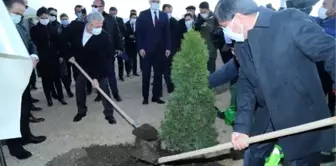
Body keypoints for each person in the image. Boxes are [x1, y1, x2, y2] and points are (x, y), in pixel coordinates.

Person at [214, 0, 336, 165]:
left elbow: (330, 51)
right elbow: (246, 85)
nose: (225, 32)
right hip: (268, 113)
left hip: (302, 114)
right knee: (252, 157)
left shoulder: (288, 21)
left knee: (299, 161)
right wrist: (242, 127)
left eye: (224, 26)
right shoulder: (242, 44)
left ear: (239, 18)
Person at [4, 0, 46, 159]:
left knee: (24, 107)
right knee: (11, 111)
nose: (20, 17)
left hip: (23, 73)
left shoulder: (22, 25)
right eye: (17, 14)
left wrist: (34, 55)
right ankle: (14, 146)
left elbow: (30, 43)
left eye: (22, 14)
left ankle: (26, 135)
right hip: (6, 77)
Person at [61, 12, 117, 124]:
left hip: (98, 65)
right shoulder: (75, 27)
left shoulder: (104, 37)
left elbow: (103, 59)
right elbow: (62, 40)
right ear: (89, 24)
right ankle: (81, 111)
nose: (100, 28)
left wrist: (96, 77)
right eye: (97, 26)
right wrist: (68, 55)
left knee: (104, 87)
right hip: (80, 64)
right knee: (80, 87)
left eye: (101, 25)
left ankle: (109, 113)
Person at [30, 7, 67, 107]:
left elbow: (59, 42)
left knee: (57, 79)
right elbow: (33, 44)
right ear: (38, 17)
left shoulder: (53, 28)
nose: (45, 19)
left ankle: (61, 97)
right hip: (42, 58)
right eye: (43, 17)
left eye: (47, 17)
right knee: (46, 80)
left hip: (54, 57)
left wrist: (61, 55)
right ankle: (49, 99)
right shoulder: (34, 30)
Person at [136, 0, 171, 105]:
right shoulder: (143, 14)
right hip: (146, 51)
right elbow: (139, 33)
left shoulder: (163, 15)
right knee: (146, 74)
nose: (156, 2)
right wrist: (140, 48)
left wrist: (168, 48)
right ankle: (145, 97)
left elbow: (167, 33)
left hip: (160, 51)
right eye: (153, 1)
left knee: (158, 75)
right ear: (150, 2)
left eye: (157, 1)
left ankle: (156, 96)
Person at [91, 0, 123, 102]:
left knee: (111, 74)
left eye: (97, 6)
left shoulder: (110, 18)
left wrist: (119, 48)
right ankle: (100, 94)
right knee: (98, 75)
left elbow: (117, 34)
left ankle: (115, 93)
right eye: (93, 6)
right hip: (95, 53)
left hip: (109, 52)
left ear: (103, 7)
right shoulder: (90, 19)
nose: (94, 7)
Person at [313, 0, 336, 116]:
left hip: (329, 75)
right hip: (315, 74)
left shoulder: (331, 30)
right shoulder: (318, 22)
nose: (321, 7)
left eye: (325, 5)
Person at [194, 1, 219, 74]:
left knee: (211, 68)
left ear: (208, 9)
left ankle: (211, 83)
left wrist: (207, 25)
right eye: (201, 12)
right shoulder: (198, 17)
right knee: (202, 69)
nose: (202, 13)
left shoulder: (214, 17)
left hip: (212, 47)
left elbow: (218, 31)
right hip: (201, 48)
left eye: (204, 11)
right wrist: (199, 23)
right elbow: (194, 27)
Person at [109, 6, 127, 80]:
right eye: (111, 12)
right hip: (110, 44)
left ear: (116, 12)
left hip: (120, 44)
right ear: (109, 12)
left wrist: (121, 37)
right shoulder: (107, 20)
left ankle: (121, 75)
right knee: (111, 62)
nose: (113, 14)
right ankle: (111, 76)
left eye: (114, 12)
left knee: (121, 60)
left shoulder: (120, 19)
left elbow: (124, 30)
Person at [162, 4, 177, 94]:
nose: (169, 13)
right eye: (167, 12)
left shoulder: (174, 21)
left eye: (170, 12)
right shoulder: (158, 21)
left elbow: (176, 36)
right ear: (163, 11)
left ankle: (172, 86)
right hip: (161, 49)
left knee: (172, 68)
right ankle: (169, 86)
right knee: (165, 69)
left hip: (172, 49)